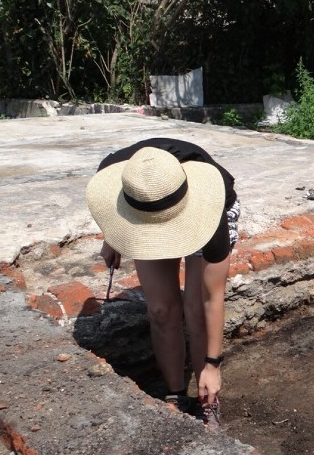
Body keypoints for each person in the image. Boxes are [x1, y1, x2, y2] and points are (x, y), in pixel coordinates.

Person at [86, 137, 239, 427]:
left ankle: (208, 399)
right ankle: (175, 395)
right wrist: (113, 237)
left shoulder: (211, 208)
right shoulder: (113, 172)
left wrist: (213, 366)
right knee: (161, 309)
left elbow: (212, 298)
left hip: (201, 211)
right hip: (143, 214)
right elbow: (107, 208)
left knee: (195, 309)